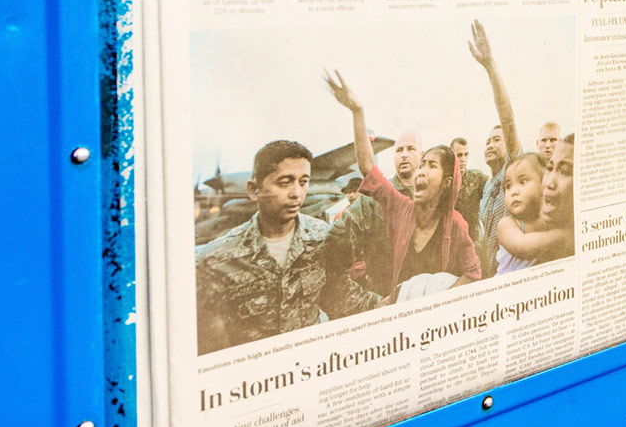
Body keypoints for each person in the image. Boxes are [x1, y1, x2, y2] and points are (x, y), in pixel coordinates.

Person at [196, 140, 379, 355]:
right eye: (285, 182)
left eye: (303, 182)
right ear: (254, 190)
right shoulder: (213, 260)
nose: (297, 193)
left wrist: (397, 301)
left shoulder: (323, 238)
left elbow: (345, 301)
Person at [325, 71, 480, 297]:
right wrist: (358, 112)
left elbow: (473, 273)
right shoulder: (400, 207)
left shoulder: (455, 223)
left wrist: (439, 303)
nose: (421, 170)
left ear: (447, 183)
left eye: (431, 165)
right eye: (422, 164)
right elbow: (368, 167)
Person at [330, 131, 421, 296]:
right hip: (386, 298)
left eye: (411, 149)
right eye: (399, 150)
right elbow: (333, 250)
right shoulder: (370, 202)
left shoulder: (435, 199)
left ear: (422, 155)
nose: (404, 155)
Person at [469, 21, 523, 276]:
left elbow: (507, 119)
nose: (490, 144)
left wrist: (490, 66)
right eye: (488, 141)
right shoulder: (488, 186)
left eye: (497, 139)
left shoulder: (513, 170)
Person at [493, 152, 571, 272]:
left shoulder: (551, 220)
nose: (513, 191)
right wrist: (564, 235)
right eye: (508, 186)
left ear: (543, 184)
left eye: (522, 181)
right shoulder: (508, 223)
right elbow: (521, 247)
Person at [450, 136, 488, 245]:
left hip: (474, 240)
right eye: (459, 155)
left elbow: (495, 189)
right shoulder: (444, 182)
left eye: (466, 155)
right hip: (452, 240)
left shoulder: (477, 178)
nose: (463, 159)